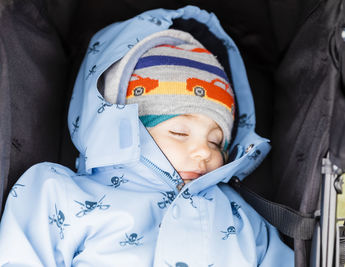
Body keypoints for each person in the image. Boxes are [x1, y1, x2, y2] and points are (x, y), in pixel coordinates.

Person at [0, 6, 293, 266]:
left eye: (216, 142)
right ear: (121, 126)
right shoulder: (59, 194)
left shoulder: (241, 217)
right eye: (179, 132)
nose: (204, 152)